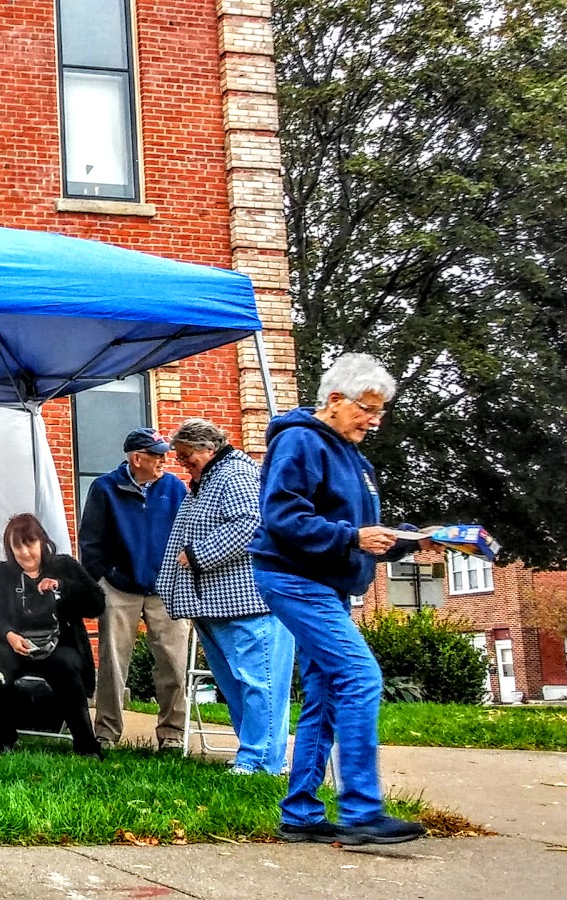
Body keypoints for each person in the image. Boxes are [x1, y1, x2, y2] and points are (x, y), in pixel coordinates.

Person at [249, 353, 430, 845]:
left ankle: (301, 814)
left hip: (327, 583)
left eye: (380, 411)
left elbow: (361, 530)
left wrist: (416, 539)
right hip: (294, 578)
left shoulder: (352, 455)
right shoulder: (300, 441)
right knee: (359, 676)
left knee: (328, 692)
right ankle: (362, 811)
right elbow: (282, 517)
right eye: (366, 409)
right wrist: (352, 537)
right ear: (334, 400)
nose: (374, 420)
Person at [157, 418, 295, 775]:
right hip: (218, 606)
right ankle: (257, 757)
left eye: (186, 456)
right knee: (239, 686)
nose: (182, 463)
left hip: (249, 605)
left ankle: (260, 762)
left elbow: (251, 524)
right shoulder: (209, 479)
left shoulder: (235, 474)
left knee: (259, 684)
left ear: (208, 448)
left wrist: (199, 554)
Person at [80, 427, 191, 750]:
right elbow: (90, 540)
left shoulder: (174, 488)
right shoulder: (105, 488)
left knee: (173, 663)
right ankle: (106, 733)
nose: (164, 461)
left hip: (166, 589)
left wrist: (179, 577)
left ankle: (172, 735)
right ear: (137, 458)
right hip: (118, 588)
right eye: (157, 455)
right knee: (112, 664)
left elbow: (187, 533)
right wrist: (102, 579)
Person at [0, 513, 107, 757]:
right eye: (18, 547)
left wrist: (62, 586)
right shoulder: (0, 574)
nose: (25, 552)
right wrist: (9, 635)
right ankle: (3, 739)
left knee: (66, 666)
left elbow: (97, 603)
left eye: (30, 544)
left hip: (59, 644)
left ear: (42, 542)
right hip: (16, 645)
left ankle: (86, 745)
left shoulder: (64, 566)